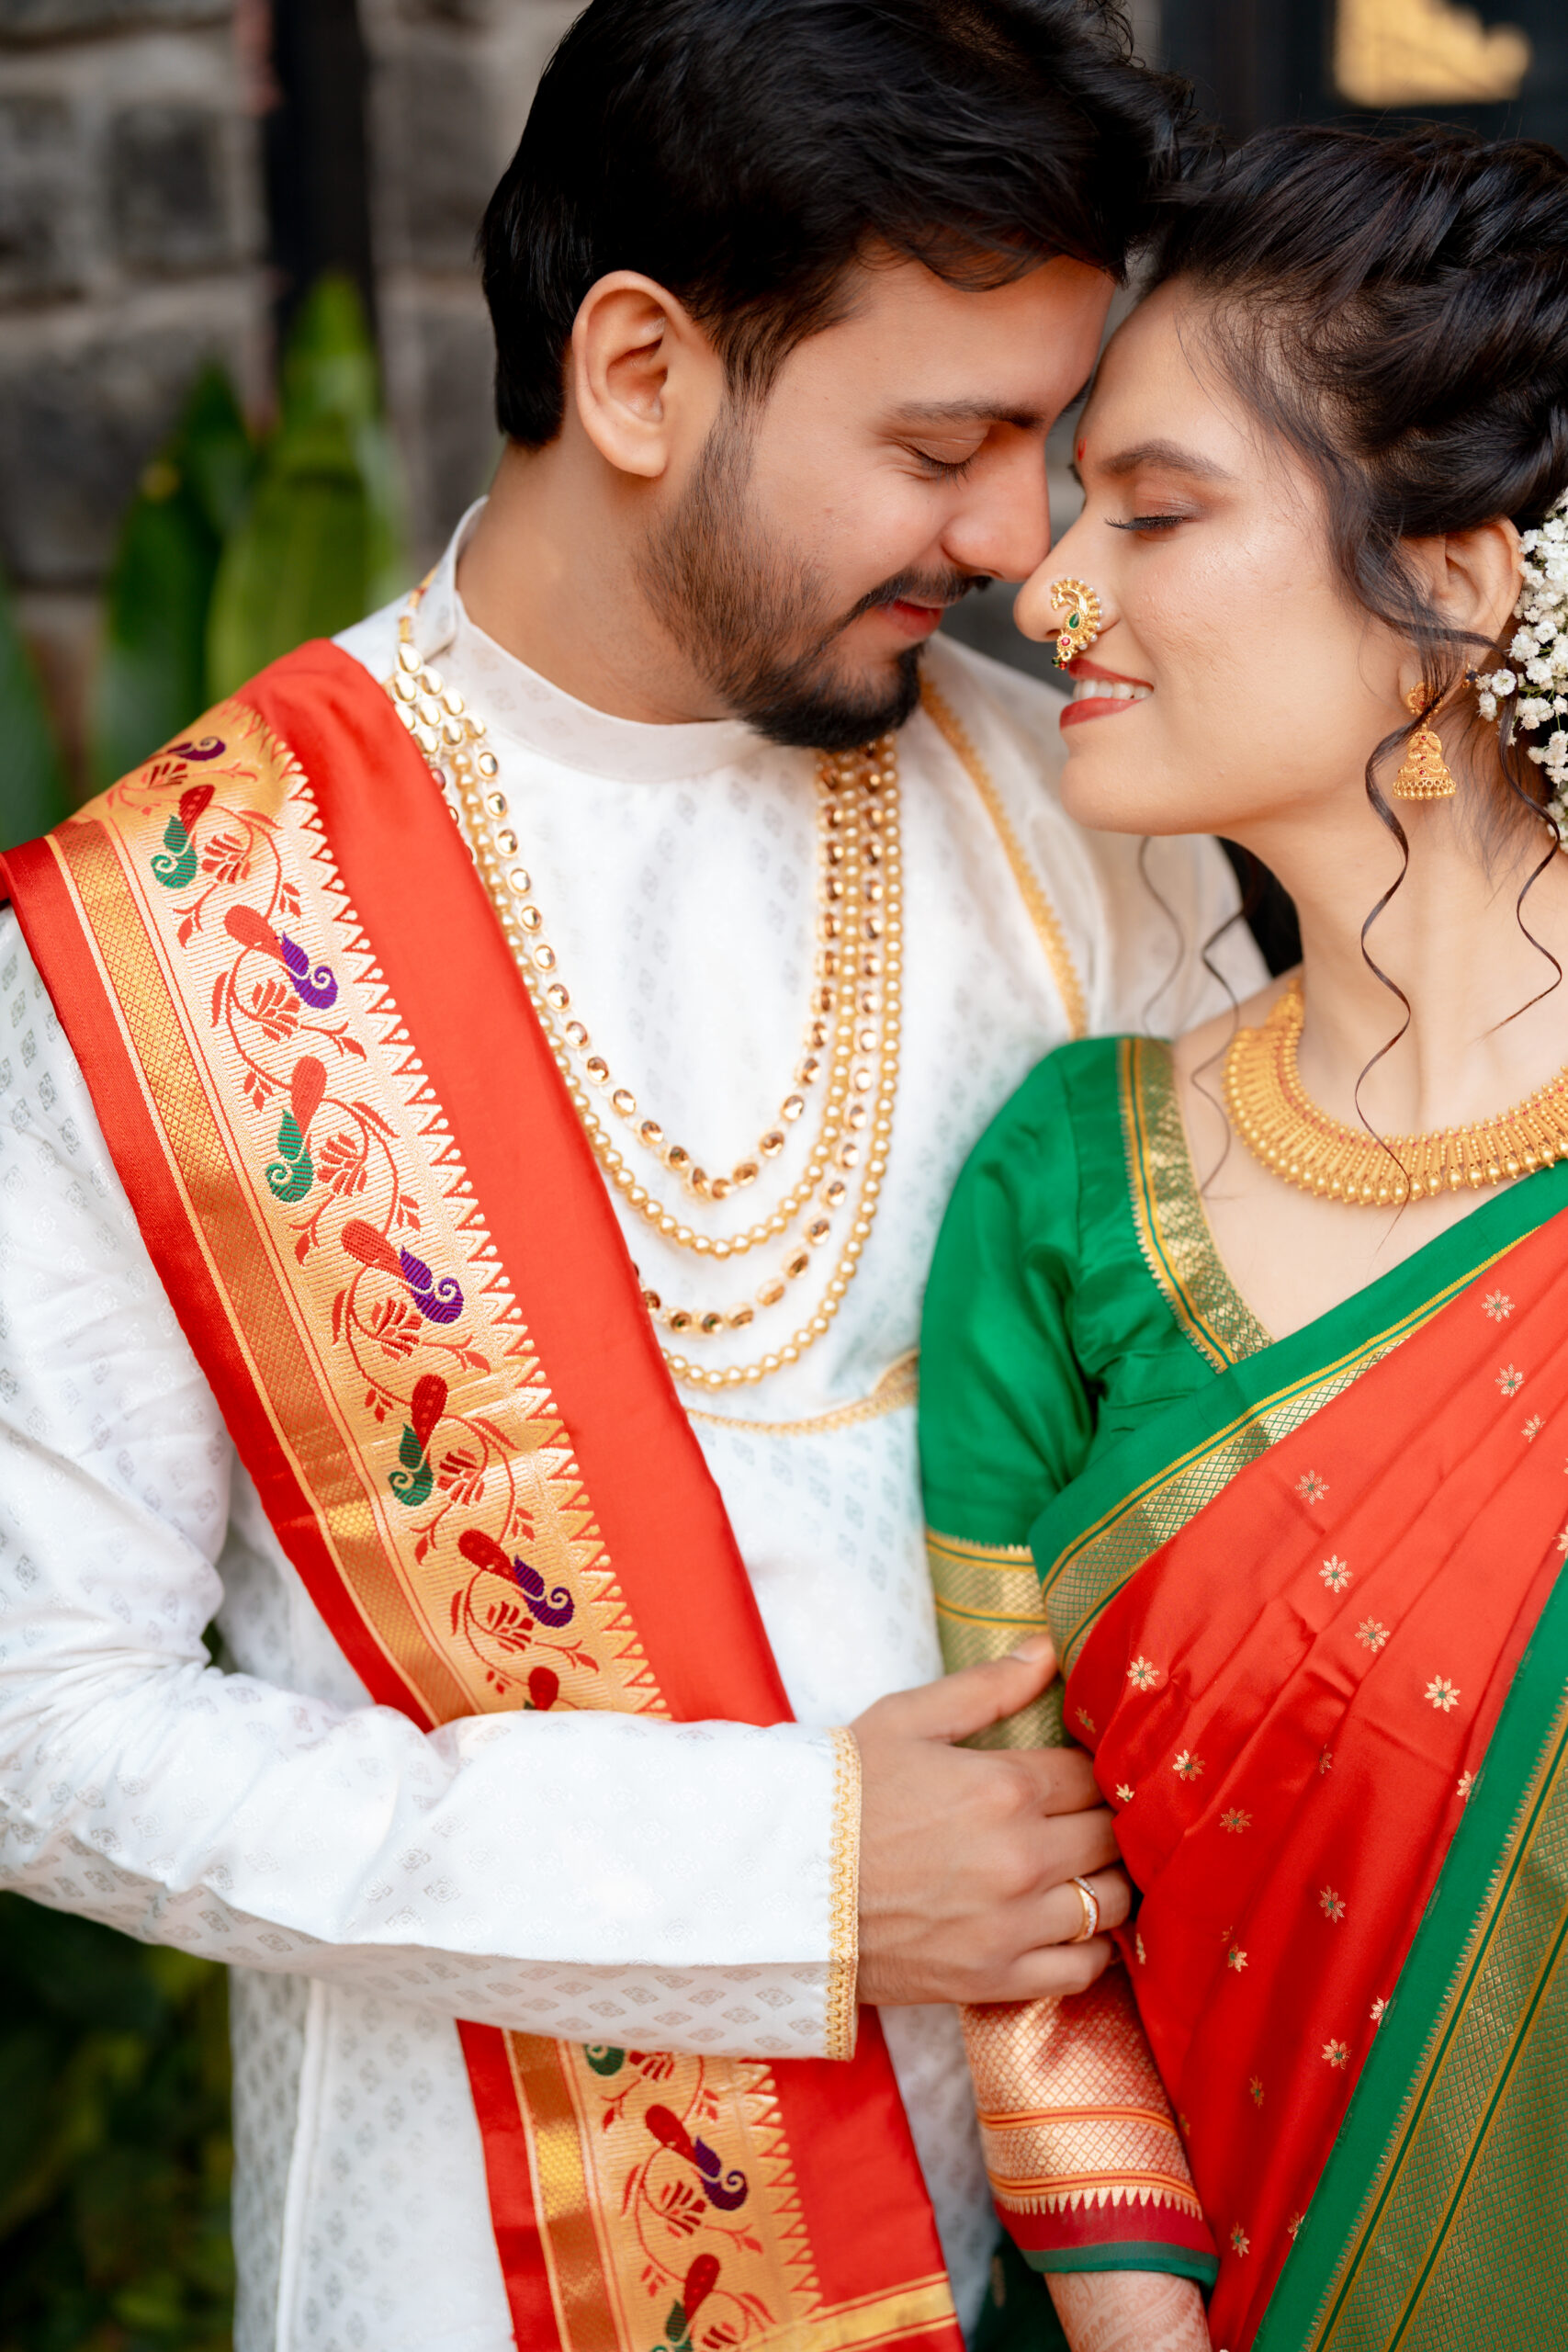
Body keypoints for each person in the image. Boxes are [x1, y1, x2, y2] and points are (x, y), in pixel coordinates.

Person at [0, 5, 1258, 2348]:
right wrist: (780, 1872)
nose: (1016, 541)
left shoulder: (1080, 822)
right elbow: (45, 1721)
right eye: (941, 445)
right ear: (640, 372)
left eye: (1047, 442)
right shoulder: (173, 940)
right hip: (476, 2250)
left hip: (1116, 2218)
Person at [921, 119, 1568, 2352]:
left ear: (1456, 583)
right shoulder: (1062, 1190)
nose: (1047, 591)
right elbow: (1026, 1908)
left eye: (1155, 510)